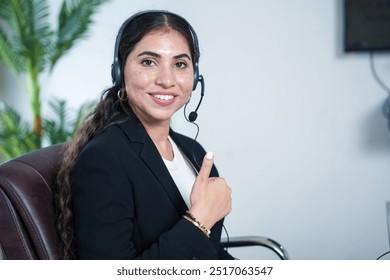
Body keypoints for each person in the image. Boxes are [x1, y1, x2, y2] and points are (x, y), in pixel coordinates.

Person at [54, 10, 233, 260]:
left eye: (180, 64)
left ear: (194, 78)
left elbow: (210, 254)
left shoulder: (194, 153)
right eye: (149, 62)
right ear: (119, 72)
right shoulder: (103, 160)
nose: (166, 80)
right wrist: (200, 220)